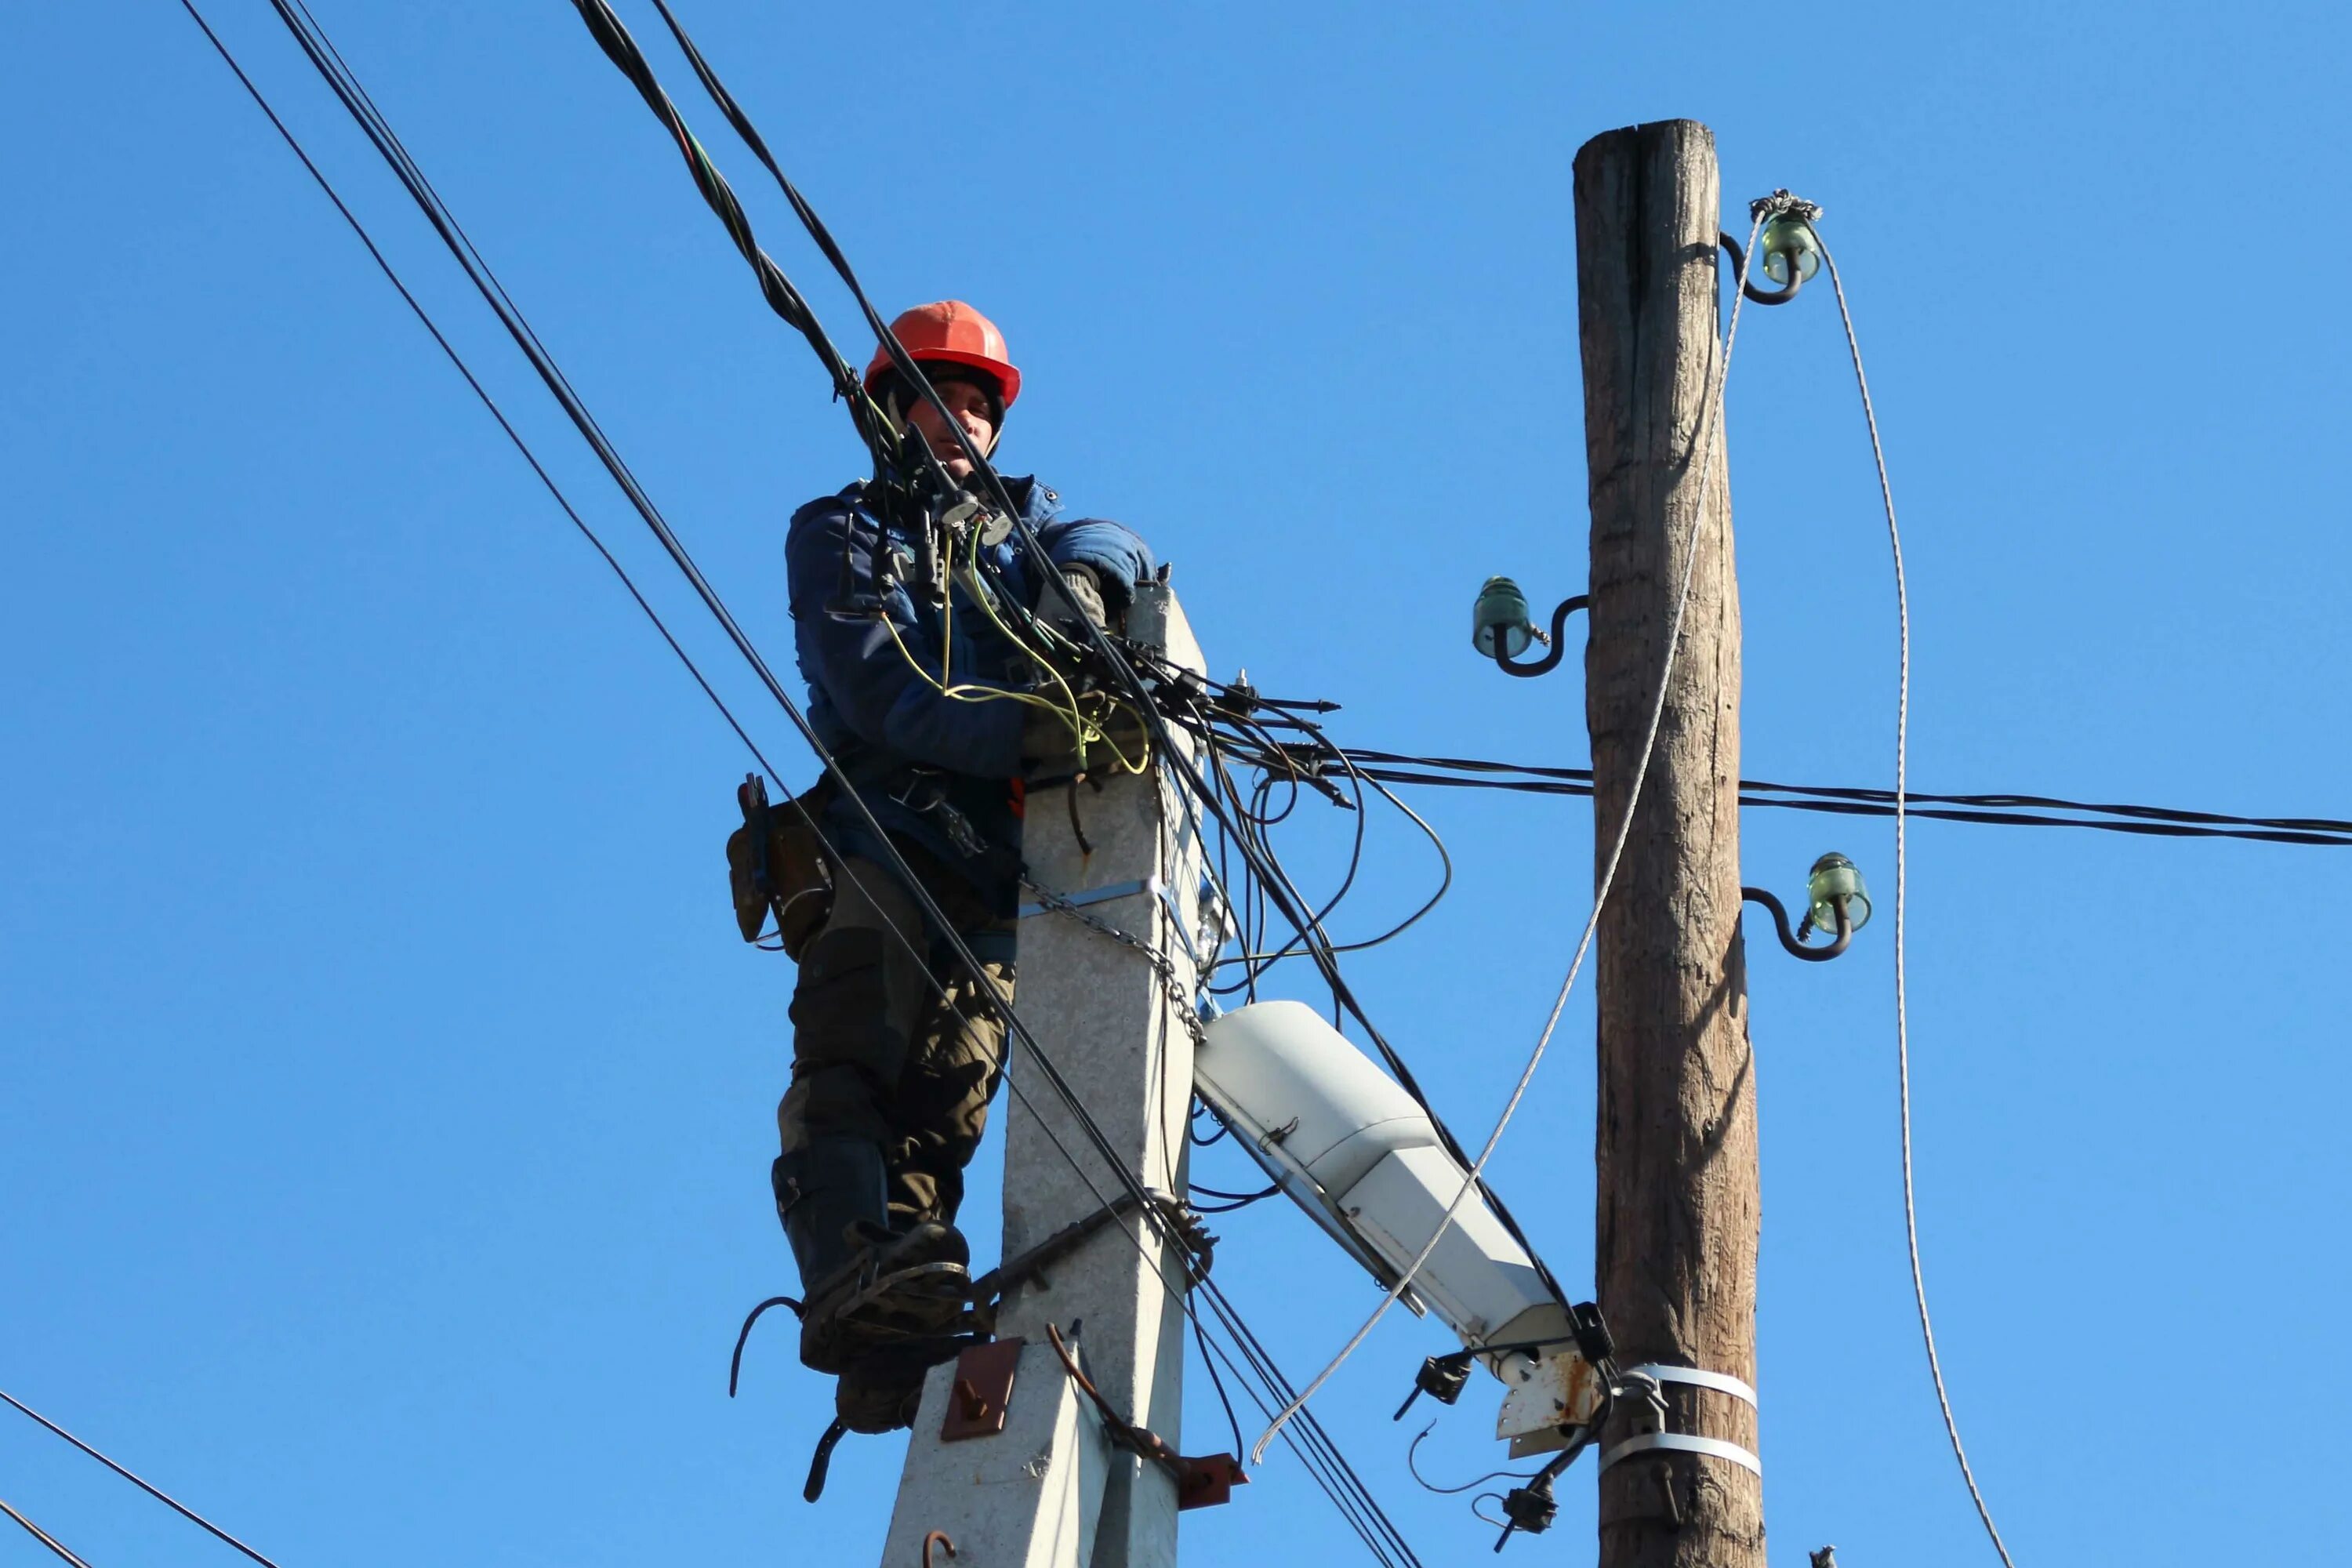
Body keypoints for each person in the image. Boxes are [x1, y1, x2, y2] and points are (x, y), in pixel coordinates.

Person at [774, 300, 1153, 1432]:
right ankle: (849, 1278)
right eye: (934, 402)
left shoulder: (1031, 533)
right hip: (890, 832)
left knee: (949, 1099)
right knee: (855, 1058)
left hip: (1006, 877)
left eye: (977, 407)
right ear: (888, 414)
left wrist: (1085, 582)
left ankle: (903, 1333)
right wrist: (1037, 732)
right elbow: (881, 692)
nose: (958, 424)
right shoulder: (844, 531)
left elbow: (1117, 538)